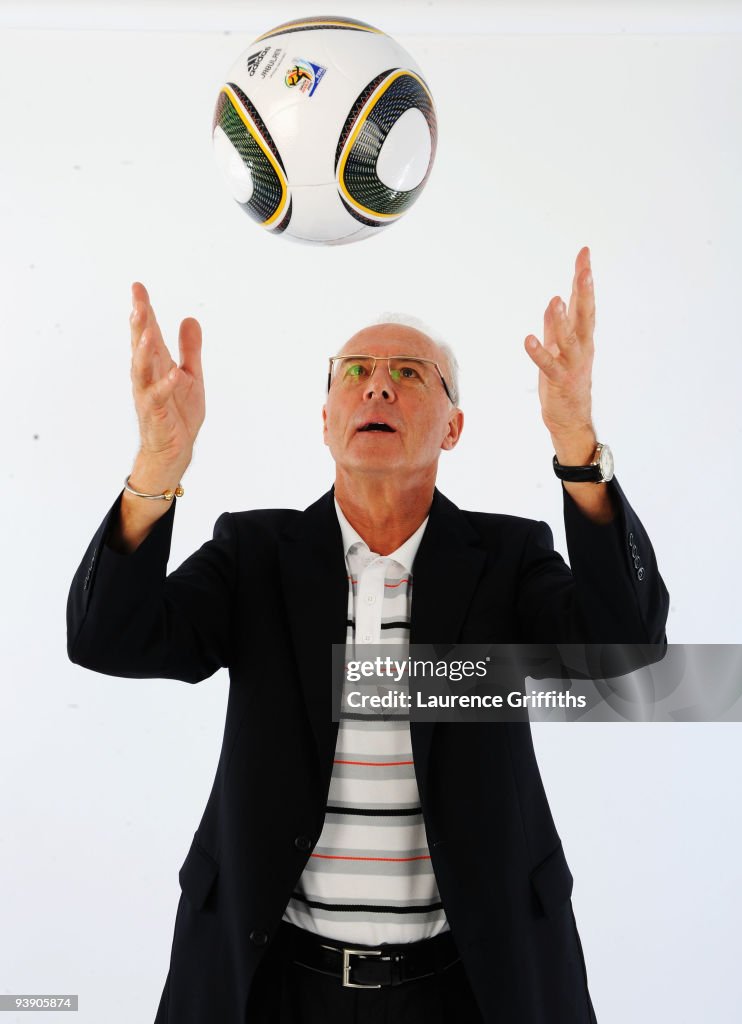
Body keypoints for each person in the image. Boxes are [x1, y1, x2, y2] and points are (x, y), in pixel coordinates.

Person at [67, 247, 669, 1023]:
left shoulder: (509, 560)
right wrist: (157, 465)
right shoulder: (255, 556)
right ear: (325, 421)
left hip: (472, 981)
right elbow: (106, 637)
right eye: (354, 371)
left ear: (453, 428)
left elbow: (624, 647)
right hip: (272, 978)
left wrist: (578, 446)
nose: (378, 383)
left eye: (410, 373)